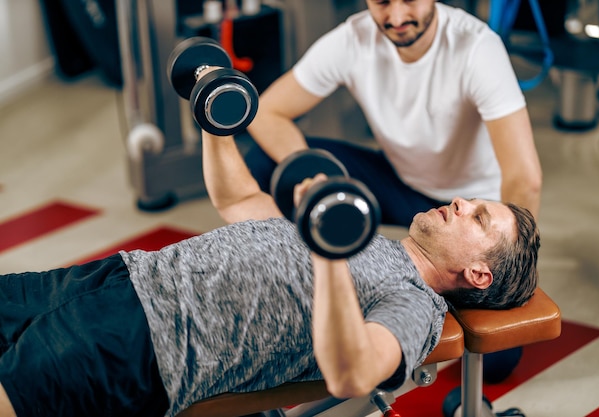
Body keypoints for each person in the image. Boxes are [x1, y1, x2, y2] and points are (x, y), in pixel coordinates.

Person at [0, 122, 539, 417]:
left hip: (144, 344)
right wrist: (216, 118)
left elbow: (355, 373)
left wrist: (329, 253)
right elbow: (240, 200)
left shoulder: (414, 303)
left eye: (480, 216)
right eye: (473, 200)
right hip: (119, 277)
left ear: (479, 274)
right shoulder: (368, 238)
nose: (463, 202)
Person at [244, 0, 543, 226]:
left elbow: (524, 177)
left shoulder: (477, 47)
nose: (397, 18)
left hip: (468, 203)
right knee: (264, 162)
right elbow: (266, 112)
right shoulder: (353, 39)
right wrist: (312, 174)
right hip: (399, 183)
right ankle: (293, 273)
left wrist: (513, 262)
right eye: (383, 2)